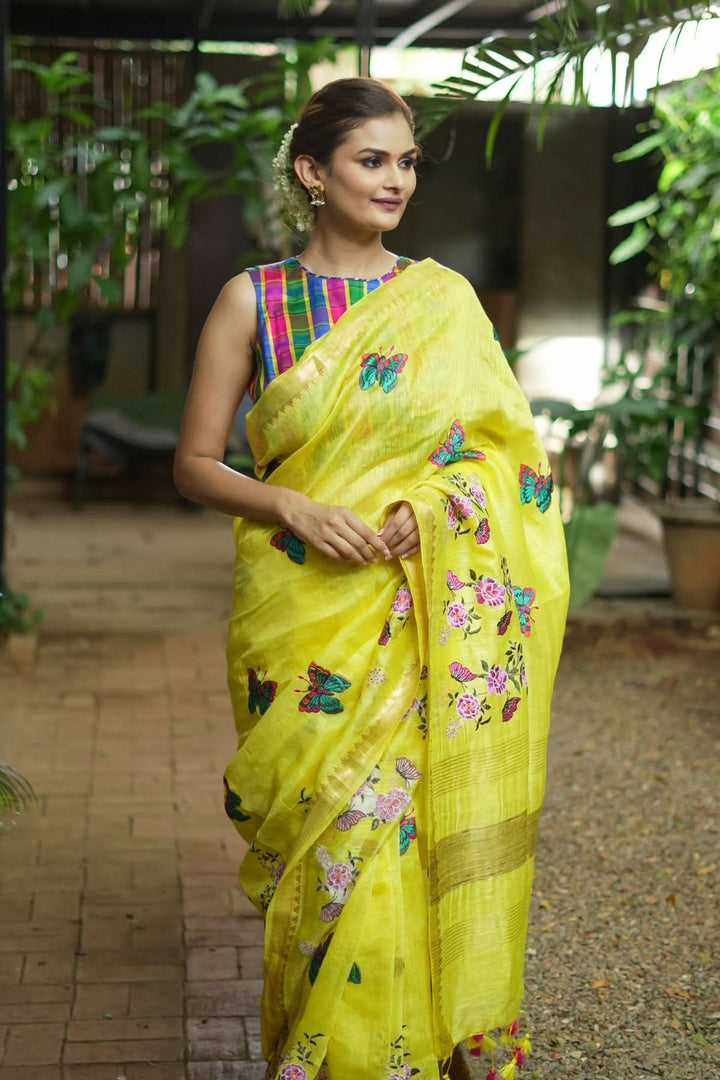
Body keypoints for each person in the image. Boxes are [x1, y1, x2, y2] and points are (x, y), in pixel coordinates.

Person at [174, 77, 569, 1080]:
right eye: (371, 160)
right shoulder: (252, 300)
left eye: (406, 162)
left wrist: (431, 512)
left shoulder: (443, 302)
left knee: (398, 837)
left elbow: (510, 461)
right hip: (301, 622)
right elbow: (195, 463)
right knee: (321, 843)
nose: (396, 180)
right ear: (314, 172)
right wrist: (291, 505)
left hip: (413, 610)